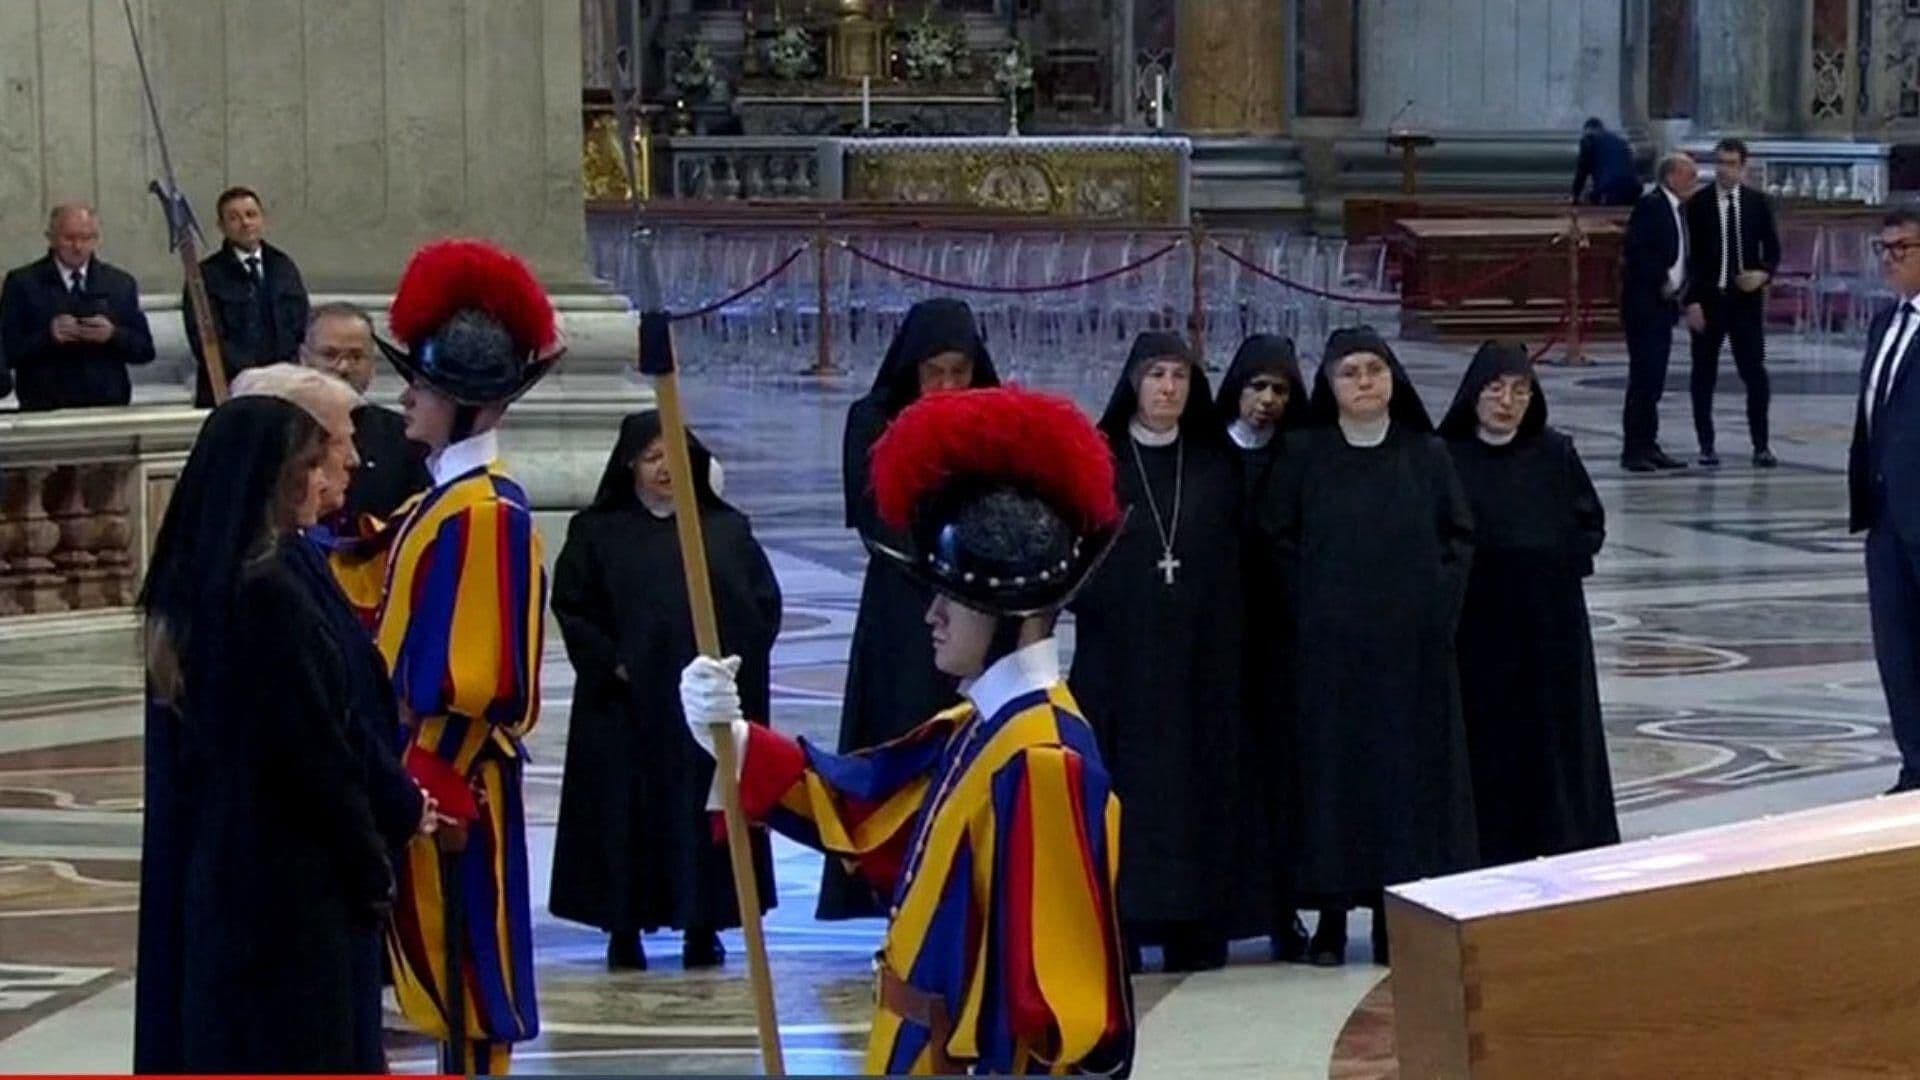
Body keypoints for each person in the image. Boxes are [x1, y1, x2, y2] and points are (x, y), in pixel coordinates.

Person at [678, 386, 1134, 1076]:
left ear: (1010, 612)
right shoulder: (980, 728)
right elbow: (863, 807)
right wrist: (730, 735)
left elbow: (1052, 1006)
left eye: (954, 596)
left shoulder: (1043, 760)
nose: (933, 615)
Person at [332, 239, 559, 1075]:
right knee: (437, 983)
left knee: (467, 987)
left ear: (467, 405)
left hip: (451, 785)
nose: (406, 399)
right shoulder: (450, 501)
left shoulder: (486, 513)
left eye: (421, 387)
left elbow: (478, 678)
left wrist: (424, 788)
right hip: (426, 775)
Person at [135, 396, 395, 1072]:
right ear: (271, 478)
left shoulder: (204, 591)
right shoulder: (269, 596)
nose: (322, 480)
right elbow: (316, 754)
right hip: (290, 893)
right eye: (309, 466)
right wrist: (372, 862)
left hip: (223, 871)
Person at [226, 362, 438, 1068]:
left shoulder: (296, 560)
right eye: (332, 447)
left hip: (325, 861)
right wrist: (382, 826)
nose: (350, 461)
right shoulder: (262, 585)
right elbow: (314, 738)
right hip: (293, 874)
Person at [1257, 326, 1477, 967]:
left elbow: (1458, 537)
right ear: (1328, 384)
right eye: (1349, 373)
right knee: (1332, 784)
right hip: (1328, 658)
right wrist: (1313, 603)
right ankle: (1329, 915)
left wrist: (1435, 605)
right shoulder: (1303, 455)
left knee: (1402, 786)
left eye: (1373, 371)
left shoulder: (1425, 454)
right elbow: (1276, 539)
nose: (1363, 383)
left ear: (1392, 380)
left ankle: (1390, 916)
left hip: (1408, 658)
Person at [549, 411, 780, 971]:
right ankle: (622, 929)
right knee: (625, 815)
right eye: (651, 457)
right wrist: (612, 663)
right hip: (626, 707)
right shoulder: (596, 531)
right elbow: (574, 607)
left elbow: (762, 606)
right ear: (630, 463)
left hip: (700, 708)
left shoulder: (724, 530)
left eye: (672, 455)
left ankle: (703, 927)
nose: (663, 469)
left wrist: (729, 671)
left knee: (699, 816)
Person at [1071, 330, 1244, 973]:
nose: (1168, 388)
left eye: (1179, 376)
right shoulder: (1100, 459)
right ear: (1133, 385)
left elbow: (1233, 556)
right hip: (1120, 661)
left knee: (1195, 790)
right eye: (1155, 376)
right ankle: (1122, 921)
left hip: (1199, 661)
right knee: (1126, 790)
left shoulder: (1214, 462)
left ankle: (1195, 924)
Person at [826, 296, 1000, 920]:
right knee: (900, 743)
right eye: (936, 374)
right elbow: (874, 516)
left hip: (980, 608)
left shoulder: (996, 422)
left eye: (960, 371)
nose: (950, 387)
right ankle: (892, 891)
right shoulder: (872, 421)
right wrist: (937, 571)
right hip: (903, 613)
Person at [1439, 341, 1619, 866]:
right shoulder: (1446, 457)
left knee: (1552, 745)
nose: (1507, 401)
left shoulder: (1554, 453)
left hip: (1549, 627)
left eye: (1520, 390)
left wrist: (1553, 556)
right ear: (1474, 395)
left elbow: (1590, 522)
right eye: (1496, 389)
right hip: (1477, 627)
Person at [1215, 332, 1312, 960]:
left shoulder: (1303, 459)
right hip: (1220, 642)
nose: (1267, 402)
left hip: (1284, 645)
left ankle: (1284, 911)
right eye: (1257, 388)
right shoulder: (1211, 456)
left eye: (1280, 390)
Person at [1850, 209, 1920, 794]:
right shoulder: (1885, 323)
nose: (1890, 258)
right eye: (1884, 248)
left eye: (1902, 248)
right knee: (1896, 648)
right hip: (1887, 515)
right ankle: (1915, 763)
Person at [0, 202, 155, 410]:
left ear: (96, 239)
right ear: (51, 238)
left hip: (107, 404)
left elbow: (144, 350)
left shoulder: (119, 283)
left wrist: (113, 335)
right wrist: (48, 336)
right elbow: (8, 351)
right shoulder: (23, 283)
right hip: (44, 405)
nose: (78, 246)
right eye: (69, 238)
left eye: (86, 238)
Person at [1684, 138, 1780, 468]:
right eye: (1720, 163)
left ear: (1743, 167)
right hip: (1709, 300)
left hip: (1745, 303)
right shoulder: (1698, 205)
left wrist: (1763, 275)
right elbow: (1690, 257)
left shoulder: (1758, 204)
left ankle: (1762, 444)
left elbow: (1773, 251)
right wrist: (1691, 300)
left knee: (1754, 373)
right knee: (1703, 374)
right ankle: (1706, 444)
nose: (1724, 170)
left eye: (1731, 164)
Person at [299, 301, 432, 526]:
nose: (342, 367)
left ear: (372, 363)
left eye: (356, 356)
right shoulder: (284, 431)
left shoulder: (404, 437)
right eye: (329, 354)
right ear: (304, 358)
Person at [187, 186, 311, 407]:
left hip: (282, 386)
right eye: (234, 218)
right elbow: (204, 337)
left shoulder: (283, 266)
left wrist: (282, 373)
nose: (245, 223)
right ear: (221, 226)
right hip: (229, 387)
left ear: (263, 219)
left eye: (251, 215)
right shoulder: (206, 275)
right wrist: (252, 376)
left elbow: (300, 323)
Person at [1619, 153, 1699, 473]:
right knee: (1643, 379)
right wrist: (1663, 280)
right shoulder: (1651, 206)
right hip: (1644, 305)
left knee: (1654, 381)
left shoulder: (1677, 209)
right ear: (1671, 177)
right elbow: (1637, 252)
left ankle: (1649, 444)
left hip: (1663, 307)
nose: (1694, 181)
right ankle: (1634, 449)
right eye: (1689, 175)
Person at [1571, 118, 1641, 207]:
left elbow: (1582, 171)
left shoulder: (1589, 140)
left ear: (1587, 130)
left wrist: (1575, 194)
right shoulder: (1621, 141)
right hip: (1634, 190)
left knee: (1591, 200)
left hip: (1610, 190)